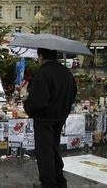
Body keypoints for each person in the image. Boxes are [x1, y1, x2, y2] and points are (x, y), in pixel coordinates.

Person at [24, 48, 77, 188]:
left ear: (41, 56)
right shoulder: (66, 72)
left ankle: (49, 183)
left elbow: (37, 102)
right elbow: (73, 93)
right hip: (60, 117)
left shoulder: (43, 73)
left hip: (44, 119)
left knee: (44, 152)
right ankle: (59, 180)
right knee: (54, 148)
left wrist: (26, 101)